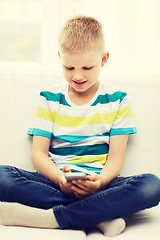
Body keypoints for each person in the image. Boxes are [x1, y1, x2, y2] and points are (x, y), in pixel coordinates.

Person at [0, 16, 159, 237]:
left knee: (152, 185)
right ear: (59, 57)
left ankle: (53, 218)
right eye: (69, 66)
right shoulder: (50, 98)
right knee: (2, 175)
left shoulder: (118, 100)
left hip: (102, 184)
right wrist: (59, 179)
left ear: (103, 59)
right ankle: (101, 216)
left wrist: (101, 181)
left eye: (87, 67)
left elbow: (115, 158)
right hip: (55, 181)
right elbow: (38, 154)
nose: (77, 75)